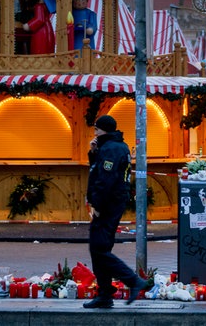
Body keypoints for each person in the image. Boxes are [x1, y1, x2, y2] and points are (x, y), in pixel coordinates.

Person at [82, 115, 146, 309]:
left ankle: (133, 281)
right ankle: (104, 294)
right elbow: (100, 170)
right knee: (100, 248)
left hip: (108, 204)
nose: (94, 133)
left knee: (99, 249)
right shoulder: (118, 146)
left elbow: (105, 180)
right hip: (114, 202)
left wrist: (98, 206)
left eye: (96, 130)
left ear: (102, 130)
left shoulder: (111, 148)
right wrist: (93, 153)